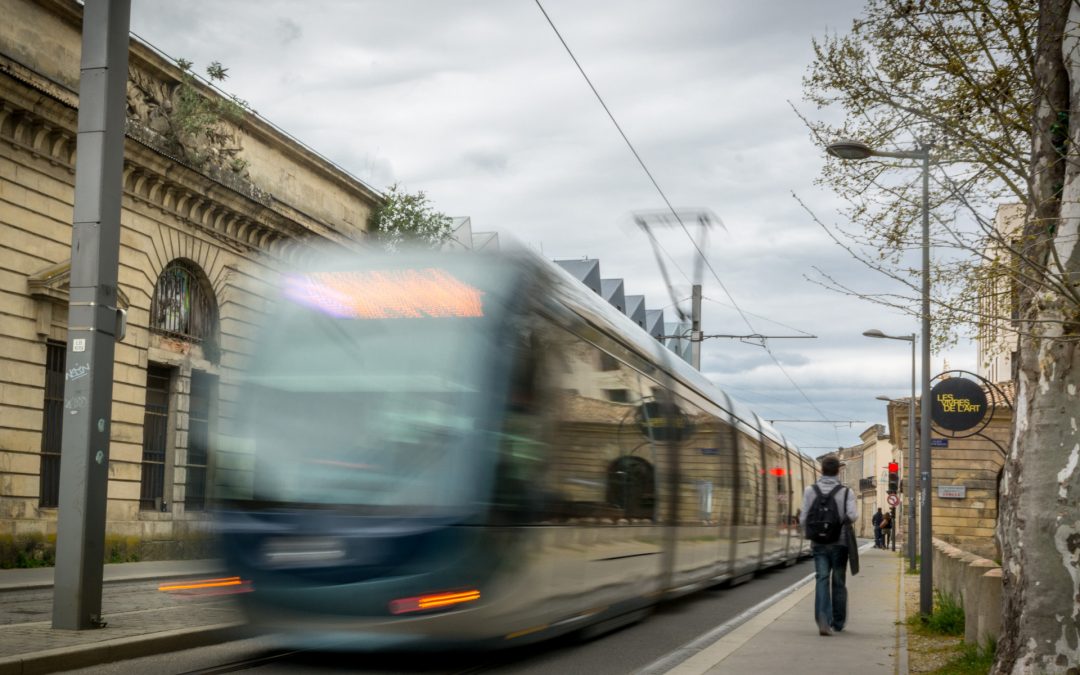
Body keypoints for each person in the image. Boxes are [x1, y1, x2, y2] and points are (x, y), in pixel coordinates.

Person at [799, 454, 858, 636]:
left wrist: (815, 532)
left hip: (819, 544)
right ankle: (838, 623)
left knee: (821, 579)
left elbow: (803, 518)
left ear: (821, 470)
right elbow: (853, 515)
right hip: (840, 543)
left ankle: (823, 619)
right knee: (839, 581)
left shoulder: (810, 490)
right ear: (838, 471)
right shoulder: (847, 492)